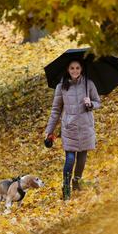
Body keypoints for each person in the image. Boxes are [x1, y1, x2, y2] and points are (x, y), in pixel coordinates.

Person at [44, 60, 101, 200]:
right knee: (70, 159)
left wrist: (90, 104)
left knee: (81, 160)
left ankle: (76, 181)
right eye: (72, 68)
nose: (75, 71)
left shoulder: (89, 84)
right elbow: (56, 110)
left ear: (81, 69)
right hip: (69, 128)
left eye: (77, 68)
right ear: (67, 69)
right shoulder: (61, 87)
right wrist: (49, 130)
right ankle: (66, 187)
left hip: (85, 126)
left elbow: (97, 102)